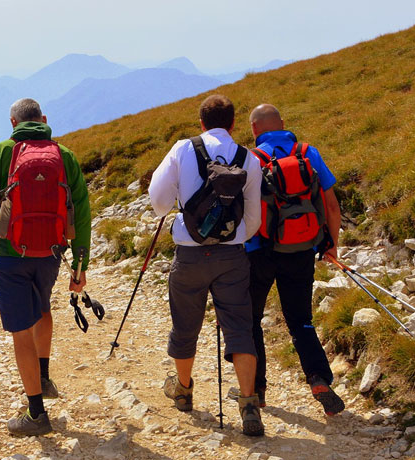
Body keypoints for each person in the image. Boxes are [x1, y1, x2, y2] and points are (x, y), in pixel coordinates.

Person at [0, 98, 92, 436]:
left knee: (20, 329)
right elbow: (83, 210)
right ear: (43, 119)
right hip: (52, 253)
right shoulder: (64, 155)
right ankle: (42, 377)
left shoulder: (2, 152)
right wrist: (80, 265)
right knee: (42, 308)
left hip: (12, 253)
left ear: (13, 123)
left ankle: (36, 414)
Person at [148, 94, 266, 437]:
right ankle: (248, 404)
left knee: (185, 325)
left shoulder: (184, 148)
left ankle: (183, 390)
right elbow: (254, 215)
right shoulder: (249, 158)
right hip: (232, 256)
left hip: (189, 254)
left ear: (201, 123)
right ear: (232, 123)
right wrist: (235, 236)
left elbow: (158, 201)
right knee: (240, 328)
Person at [243, 103, 345, 416]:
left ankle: (256, 391)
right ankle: (318, 378)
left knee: (250, 322)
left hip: (259, 251)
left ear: (255, 130)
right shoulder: (308, 153)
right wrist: (331, 245)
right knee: (301, 320)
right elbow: (331, 205)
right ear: (283, 123)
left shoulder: (252, 159)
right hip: (301, 248)